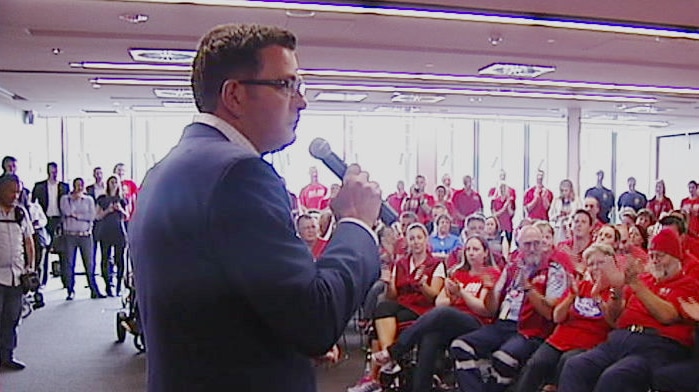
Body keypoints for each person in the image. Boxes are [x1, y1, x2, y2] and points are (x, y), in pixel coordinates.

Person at [128, 23, 382, 392]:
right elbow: (316, 319)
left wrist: (283, 339)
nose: (301, 100)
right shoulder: (240, 174)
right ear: (234, 95)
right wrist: (356, 223)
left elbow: (214, 305)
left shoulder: (170, 168)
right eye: (286, 85)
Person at [557, 229, 699, 392]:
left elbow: (668, 316)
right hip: (619, 339)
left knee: (615, 377)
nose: (654, 260)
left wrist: (636, 285)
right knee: (576, 365)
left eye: (660, 255)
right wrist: (616, 291)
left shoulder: (688, 284)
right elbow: (613, 320)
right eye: (652, 255)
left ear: (676, 257)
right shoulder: (644, 279)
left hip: (655, 345)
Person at [0, 174, 35, 370]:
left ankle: (7, 355)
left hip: (16, 276)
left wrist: (31, 266)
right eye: (11, 191)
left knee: (12, 318)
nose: (15, 196)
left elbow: (29, 241)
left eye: (18, 192)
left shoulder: (20, 214)